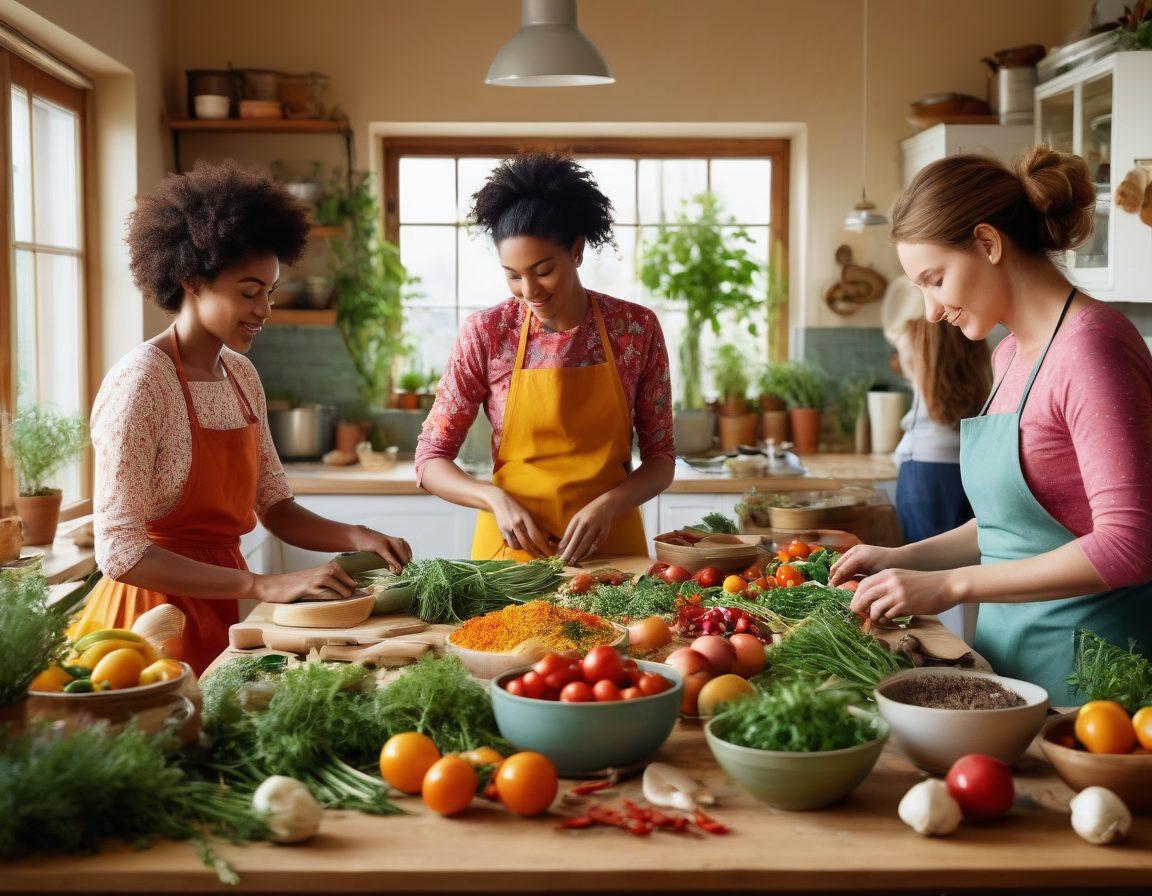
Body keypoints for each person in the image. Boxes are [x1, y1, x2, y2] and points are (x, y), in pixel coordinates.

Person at [831, 147, 1152, 704]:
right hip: (1011, 667)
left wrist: (948, 584)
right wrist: (901, 558)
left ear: (987, 242)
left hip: (1094, 687)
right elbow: (1013, 527)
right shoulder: (1008, 357)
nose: (931, 311)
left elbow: (1130, 545)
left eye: (934, 280)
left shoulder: (1092, 348)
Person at [72, 161, 411, 672]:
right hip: (146, 626)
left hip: (224, 608)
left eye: (270, 292)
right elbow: (120, 552)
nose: (264, 309)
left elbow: (275, 507)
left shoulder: (241, 375)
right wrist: (259, 583)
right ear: (191, 280)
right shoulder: (141, 383)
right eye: (248, 292)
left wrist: (356, 536)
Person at [415, 152, 675, 566]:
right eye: (513, 275)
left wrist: (607, 506)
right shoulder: (487, 332)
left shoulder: (635, 328)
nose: (530, 289)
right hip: (512, 558)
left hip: (609, 552)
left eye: (543, 269)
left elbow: (661, 459)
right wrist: (492, 498)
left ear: (576, 251)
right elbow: (430, 460)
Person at [891, 317, 991, 543]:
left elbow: (894, 331)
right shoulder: (981, 336)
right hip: (973, 461)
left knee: (923, 563)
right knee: (966, 558)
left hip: (925, 466)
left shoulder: (912, 338)